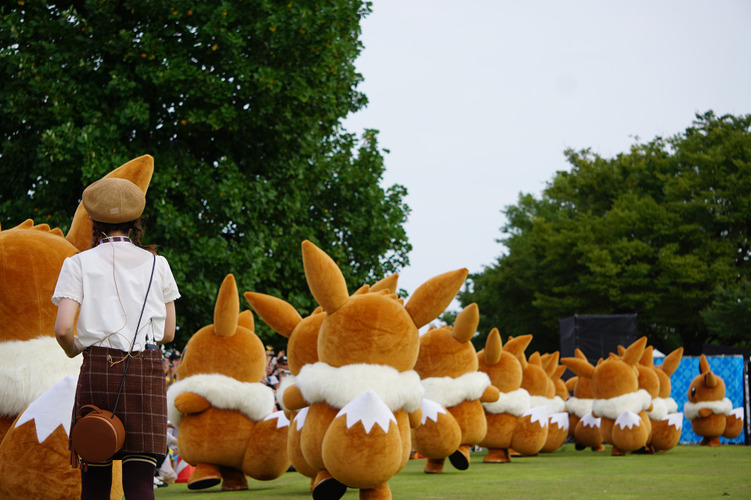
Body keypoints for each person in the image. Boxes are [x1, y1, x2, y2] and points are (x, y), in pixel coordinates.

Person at [53, 177, 180, 500]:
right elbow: (167, 333)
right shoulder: (158, 265)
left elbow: (63, 329)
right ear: (136, 221)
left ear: (94, 221)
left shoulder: (76, 263)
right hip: (146, 371)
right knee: (139, 479)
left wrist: (77, 349)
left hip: (97, 367)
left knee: (95, 472)